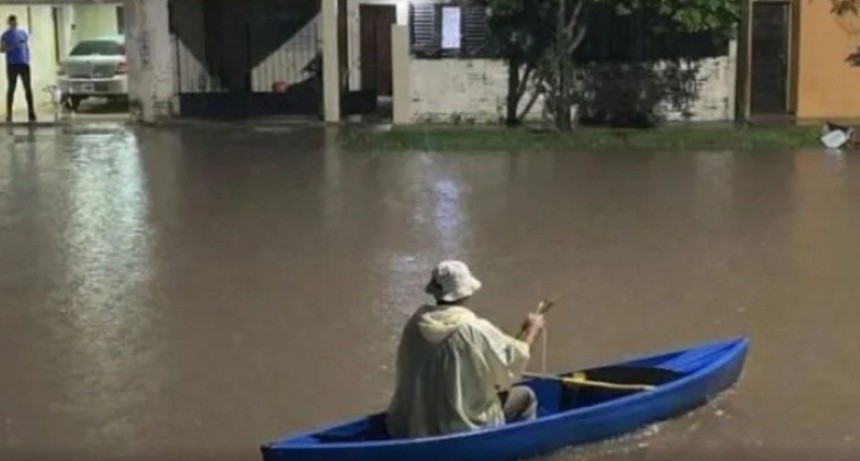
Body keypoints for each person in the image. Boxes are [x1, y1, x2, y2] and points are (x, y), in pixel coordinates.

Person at [386, 260, 546, 439]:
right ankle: (519, 448)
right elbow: (516, 360)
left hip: (414, 423)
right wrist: (533, 330)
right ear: (466, 293)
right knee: (526, 396)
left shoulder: (415, 323)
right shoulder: (474, 329)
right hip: (462, 426)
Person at [1, 15, 36, 123]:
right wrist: (10, 48)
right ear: (9, 23)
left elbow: (26, 45)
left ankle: (31, 112)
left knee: (27, 88)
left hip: (23, 63)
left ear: (17, 22)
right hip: (12, 64)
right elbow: (1, 49)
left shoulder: (23, 33)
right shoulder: (5, 35)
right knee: (11, 88)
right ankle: (9, 114)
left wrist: (27, 58)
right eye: (11, 22)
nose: (13, 24)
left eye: (15, 22)